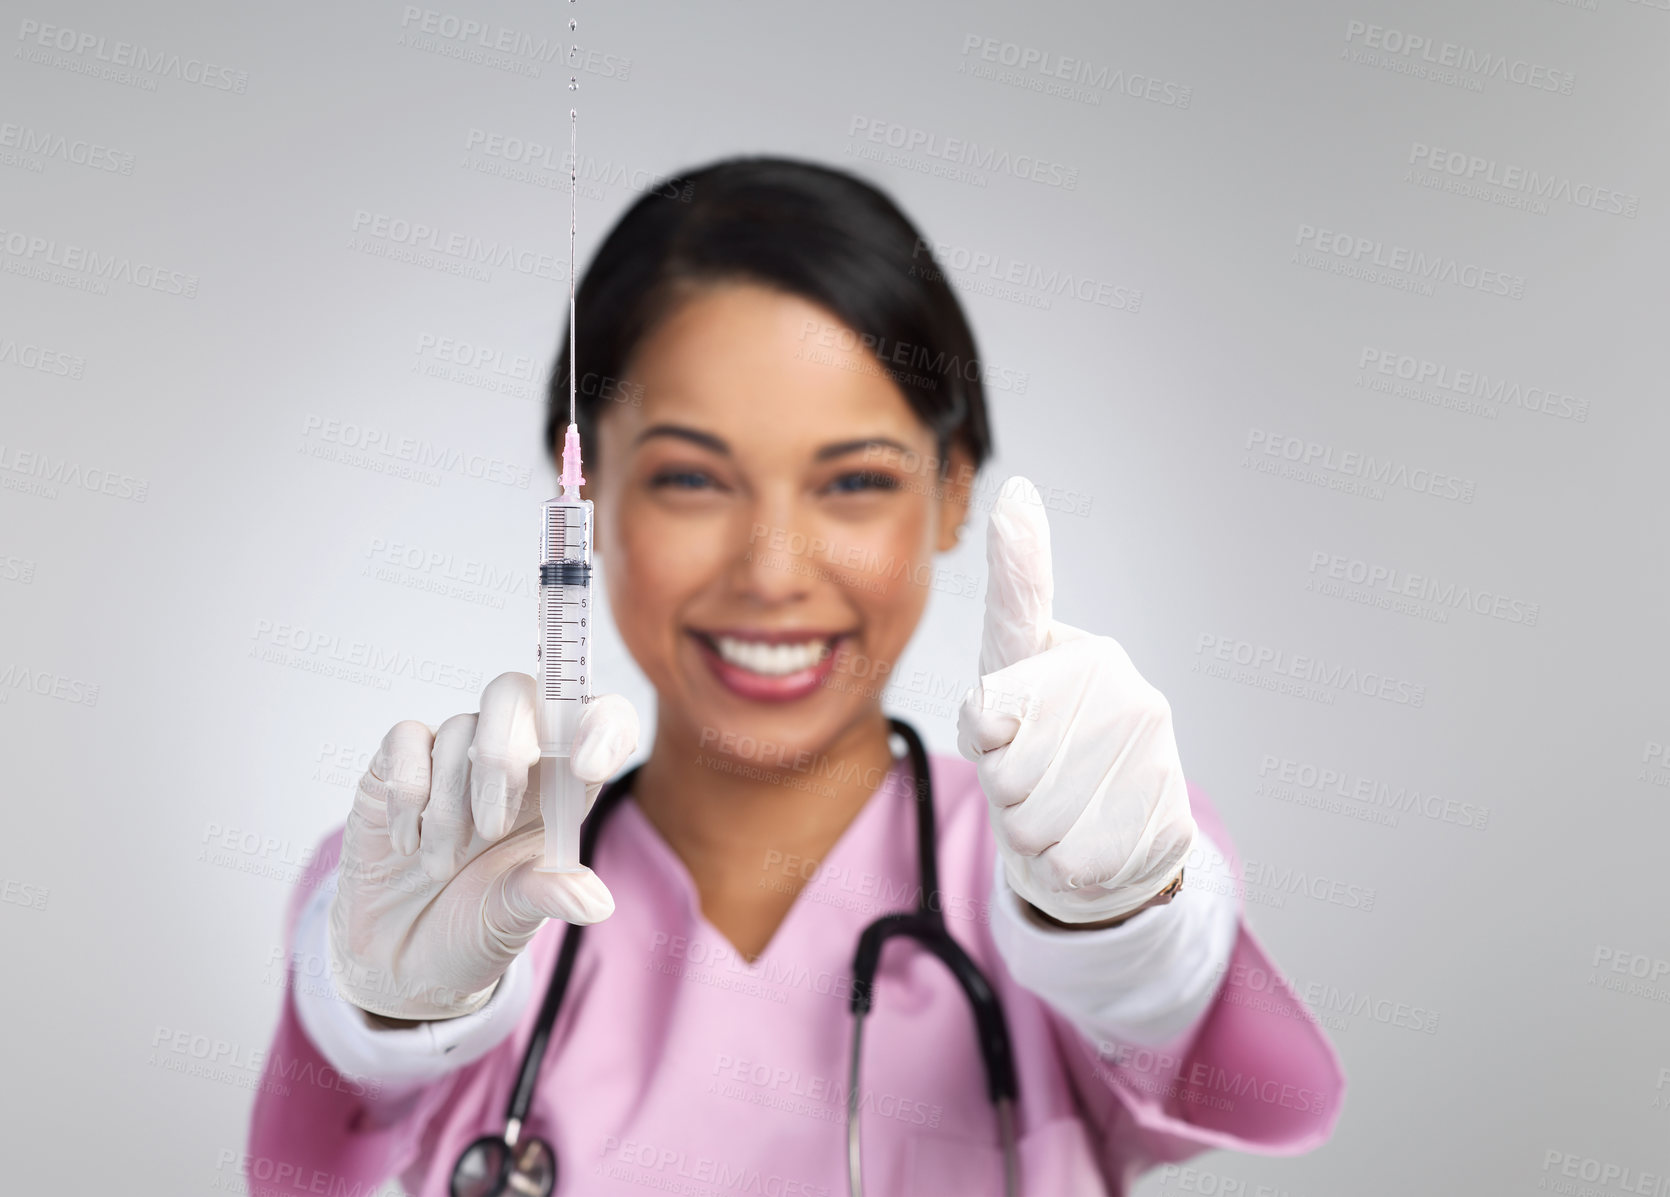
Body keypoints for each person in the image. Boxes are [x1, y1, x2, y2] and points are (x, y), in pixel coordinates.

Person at [247, 157, 1343, 1196]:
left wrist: (1125, 928)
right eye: (689, 477)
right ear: (581, 492)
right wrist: (383, 1012)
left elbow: (1168, 1010)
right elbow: (345, 1092)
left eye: (853, 481)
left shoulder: (1080, 845)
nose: (771, 572)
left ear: (953, 491)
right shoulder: (453, 872)